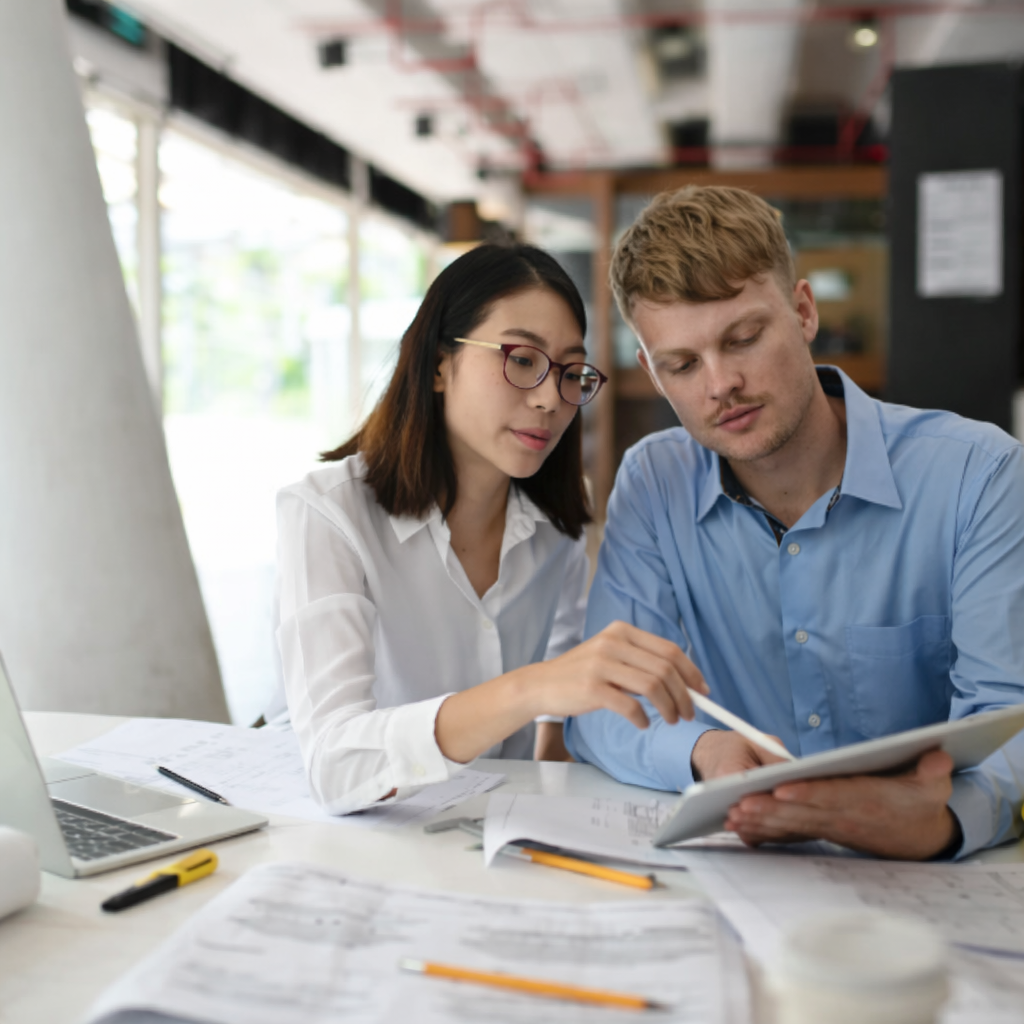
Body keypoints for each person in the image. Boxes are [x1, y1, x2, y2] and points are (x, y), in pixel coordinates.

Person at [564, 185, 1024, 861]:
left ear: (803, 312)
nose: (720, 384)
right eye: (683, 365)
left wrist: (943, 820)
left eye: (744, 338)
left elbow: (1011, 713)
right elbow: (606, 708)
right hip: (752, 871)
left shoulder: (976, 475)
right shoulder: (653, 483)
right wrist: (705, 752)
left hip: (930, 877)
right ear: (653, 375)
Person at [275, 243, 707, 815]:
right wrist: (533, 688)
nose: (552, 398)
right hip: (360, 832)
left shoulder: (561, 514)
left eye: (571, 372)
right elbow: (335, 763)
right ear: (437, 364)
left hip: (495, 829)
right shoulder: (327, 513)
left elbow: (563, 693)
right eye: (522, 359)